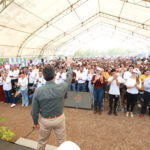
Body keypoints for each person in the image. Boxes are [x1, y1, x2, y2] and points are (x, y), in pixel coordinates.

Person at [31, 57, 72, 150]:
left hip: (45, 121)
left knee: (41, 143)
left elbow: (34, 111)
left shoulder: (38, 91)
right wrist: (68, 65)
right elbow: (69, 78)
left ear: (44, 77)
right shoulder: (61, 87)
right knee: (62, 143)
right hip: (59, 119)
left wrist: (35, 122)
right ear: (55, 75)